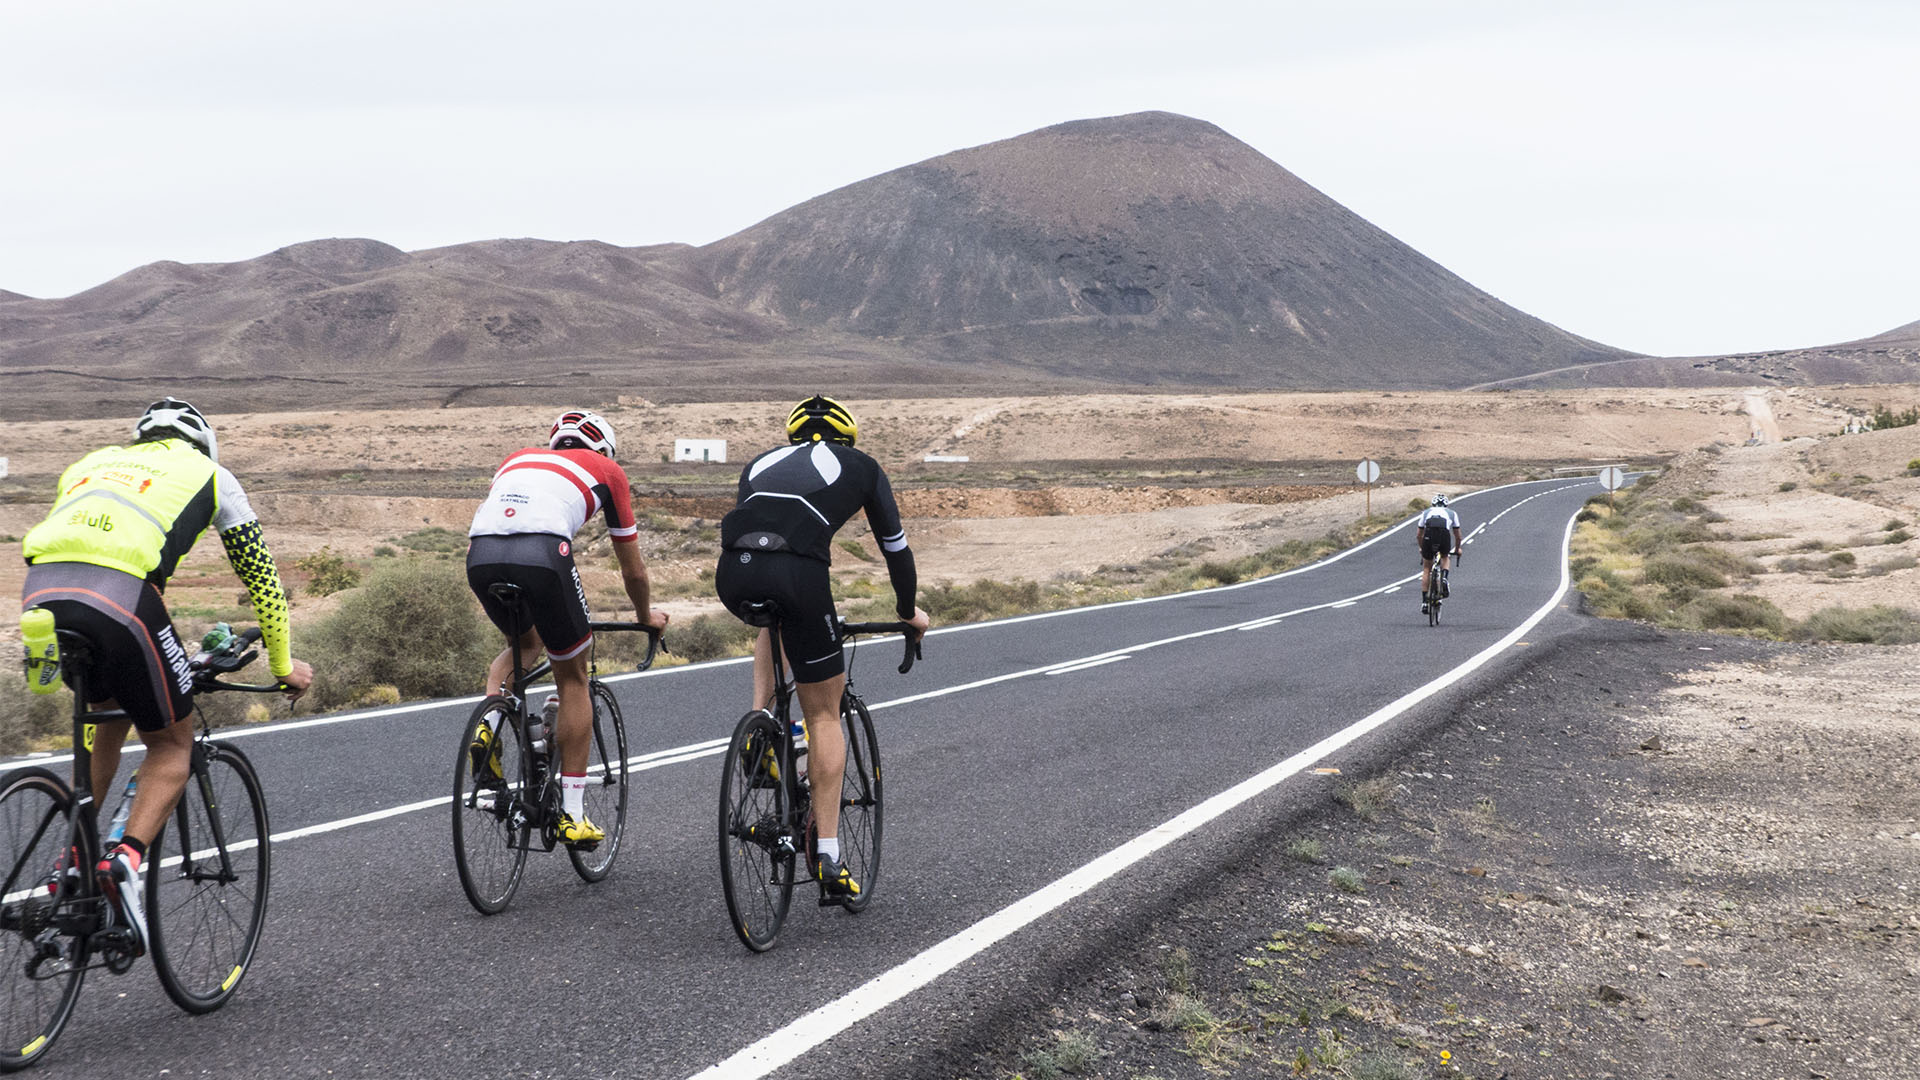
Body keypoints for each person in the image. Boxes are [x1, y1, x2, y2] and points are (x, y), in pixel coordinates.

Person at [19, 398, 314, 954]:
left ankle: (72, 863)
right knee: (172, 745)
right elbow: (265, 584)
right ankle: (124, 863)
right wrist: (283, 667)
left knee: (106, 721)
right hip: (123, 600)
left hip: (43, 595)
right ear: (205, 443)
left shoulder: (91, 463)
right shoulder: (213, 476)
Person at [713, 395, 930, 905]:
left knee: (772, 617)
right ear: (847, 436)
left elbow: (761, 524)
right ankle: (829, 853)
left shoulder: (759, 462)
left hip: (734, 569)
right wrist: (907, 612)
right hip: (800, 575)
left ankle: (760, 724)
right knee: (825, 715)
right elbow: (895, 549)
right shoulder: (863, 466)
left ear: (793, 434)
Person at [465, 409, 668, 849]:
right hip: (543, 551)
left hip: (480, 554)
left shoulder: (517, 457)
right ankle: (573, 816)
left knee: (525, 644)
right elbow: (632, 571)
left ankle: (491, 720)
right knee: (573, 675)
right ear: (604, 449)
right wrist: (645, 615)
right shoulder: (609, 471)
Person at [1417, 493, 1464, 613]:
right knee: (1445, 557)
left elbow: (1419, 535)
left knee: (1427, 568)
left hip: (1428, 535)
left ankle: (1424, 602)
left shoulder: (1426, 512)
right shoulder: (1452, 513)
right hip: (1444, 534)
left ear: (1433, 504)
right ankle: (1444, 578)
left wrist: (1422, 547)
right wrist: (1457, 549)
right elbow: (1458, 536)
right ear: (1446, 505)